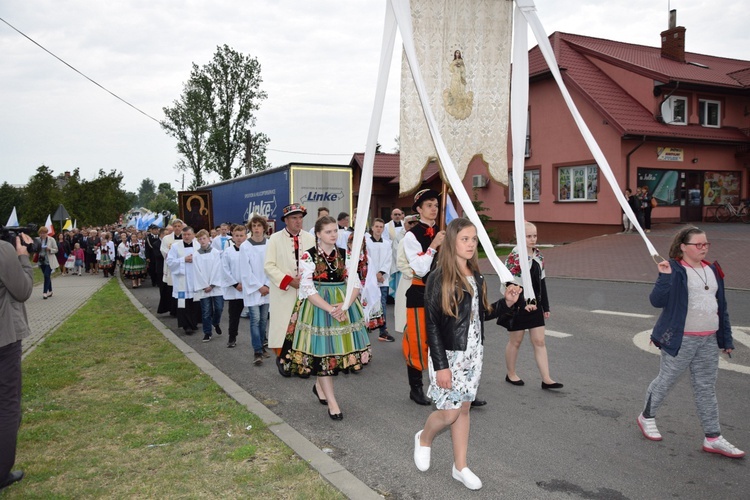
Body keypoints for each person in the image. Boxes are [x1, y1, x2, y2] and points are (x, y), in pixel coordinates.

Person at [414, 218, 521, 490]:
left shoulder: (477, 275)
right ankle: (424, 438)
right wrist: (441, 366)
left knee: (463, 409)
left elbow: (479, 314)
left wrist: (506, 303)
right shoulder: (438, 278)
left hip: (472, 354)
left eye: (474, 239)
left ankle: (460, 466)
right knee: (449, 413)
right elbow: (433, 326)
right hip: (447, 355)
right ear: (452, 242)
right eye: (465, 239)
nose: (471, 244)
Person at [637, 226, 744, 458]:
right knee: (666, 380)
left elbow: (721, 307)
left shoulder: (712, 270)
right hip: (680, 339)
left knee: (706, 387)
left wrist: (725, 338)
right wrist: (663, 277)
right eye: (698, 244)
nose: (703, 248)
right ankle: (647, 417)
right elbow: (656, 301)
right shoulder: (674, 269)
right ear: (683, 247)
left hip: (708, 339)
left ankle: (713, 437)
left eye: (706, 244)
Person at [279, 215, 372, 420]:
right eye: (328, 232)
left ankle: (319, 386)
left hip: (343, 305)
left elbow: (355, 283)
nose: (333, 235)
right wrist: (331, 309)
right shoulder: (308, 256)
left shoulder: (344, 254)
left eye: (334, 231)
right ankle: (332, 402)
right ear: (318, 234)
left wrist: (345, 305)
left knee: (336, 352)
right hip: (319, 308)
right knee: (323, 356)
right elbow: (308, 289)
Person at [503, 222, 563, 390]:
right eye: (528, 236)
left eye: (534, 235)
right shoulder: (514, 257)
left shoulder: (538, 256)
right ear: (520, 237)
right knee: (516, 341)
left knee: (539, 340)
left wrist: (546, 306)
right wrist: (523, 304)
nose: (533, 239)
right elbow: (509, 285)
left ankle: (546, 379)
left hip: (535, 305)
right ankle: (511, 373)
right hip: (517, 305)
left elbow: (542, 282)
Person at [402, 189, 445, 406]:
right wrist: (434, 245)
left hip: (444, 293)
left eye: (436, 204)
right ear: (419, 209)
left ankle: (456, 387)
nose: (434, 208)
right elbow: (419, 268)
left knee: (449, 339)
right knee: (419, 340)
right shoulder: (412, 235)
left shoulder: (445, 229)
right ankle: (416, 388)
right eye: (429, 205)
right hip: (420, 292)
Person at [264, 204, 316, 376]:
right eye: (294, 218)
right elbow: (269, 266)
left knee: (304, 326)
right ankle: (282, 358)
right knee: (284, 326)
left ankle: (302, 363)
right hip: (284, 292)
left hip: (305, 291)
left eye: (300, 217)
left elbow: (315, 262)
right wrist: (288, 280)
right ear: (286, 220)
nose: (298, 221)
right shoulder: (275, 239)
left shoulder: (310, 238)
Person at [0, 231, 34, 492]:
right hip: (4, 338)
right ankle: (1, 472)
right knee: (7, 403)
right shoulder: (3, 250)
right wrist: (22, 257)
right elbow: (22, 290)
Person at [240, 216, 271, 361]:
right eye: (254, 226)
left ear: (264, 227)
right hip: (253, 289)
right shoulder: (245, 246)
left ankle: (262, 346)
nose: (257, 228)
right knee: (255, 319)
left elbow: (272, 266)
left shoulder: (270, 244)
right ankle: (257, 351)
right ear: (251, 228)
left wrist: (267, 285)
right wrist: (259, 286)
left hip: (267, 288)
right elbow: (245, 271)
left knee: (264, 320)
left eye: (259, 225)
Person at [167, 226, 201, 334]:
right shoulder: (175, 247)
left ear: (193, 235)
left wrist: (194, 259)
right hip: (182, 279)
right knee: (184, 303)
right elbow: (170, 261)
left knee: (194, 301)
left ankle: (194, 323)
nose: (186, 237)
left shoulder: (198, 245)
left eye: (188, 234)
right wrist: (184, 260)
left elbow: (204, 260)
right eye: (184, 235)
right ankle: (186, 326)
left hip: (195, 279)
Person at [193, 229, 225, 343]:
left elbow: (217, 268)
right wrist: (204, 285)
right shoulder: (196, 255)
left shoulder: (215, 252)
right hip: (204, 287)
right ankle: (207, 332)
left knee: (219, 308)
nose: (202, 241)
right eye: (200, 239)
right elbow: (196, 271)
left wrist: (212, 284)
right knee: (206, 311)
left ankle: (215, 322)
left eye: (204, 238)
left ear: (208, 239)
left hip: (215, 286)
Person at [366, 218, 394, 341]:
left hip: (383, 279)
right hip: (369, 280)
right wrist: (373, 275)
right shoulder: (366, 242)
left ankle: (383, 331)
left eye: (381, 227)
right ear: (372, 228)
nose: (378, 229)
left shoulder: (387, 244)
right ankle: (365, 328)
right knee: (367, 305)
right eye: (376, 226)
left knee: (382, 305)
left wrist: (381, 273)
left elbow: (389, 260)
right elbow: (365, 260)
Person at [222, 224, 248, 349]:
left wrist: (248, 283)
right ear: (232, 237)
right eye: (236, 236)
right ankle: (232, 337)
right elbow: (225, 269)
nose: (239, 238)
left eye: (241, 235)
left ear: (246, 236)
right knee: (234, 316)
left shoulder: (250, 250)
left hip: (249, 288)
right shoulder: (227, 252)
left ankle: (262, 338)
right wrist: (235, 284)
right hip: (235, 290)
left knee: (256, 317)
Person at [394, 215, 419, 333]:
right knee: (405, 311)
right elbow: (401, 262)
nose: (413, 226)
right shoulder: (404, 241)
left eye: (416, 224)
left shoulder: (422, 240)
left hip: (422, 281)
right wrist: (414, 274)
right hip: (408, 280)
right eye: (410, 223)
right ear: (405, 225)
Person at [159, 220, 184, 315]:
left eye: (179, 226)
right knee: (172, 287)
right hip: (171, 267)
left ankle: (182, 309)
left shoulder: (186, 237)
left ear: (181, 227)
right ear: (172, 227)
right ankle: (173, 310)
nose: (177, 228)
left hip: (183, 266)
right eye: (175, 226)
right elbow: (163, 250)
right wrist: (174, 257)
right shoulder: (166, 239)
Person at [37, 226, 58, 299]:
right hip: (41, 260)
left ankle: (45, 292)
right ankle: (51, 291)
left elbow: (56, 249)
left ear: (46, 233)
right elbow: (35, 249)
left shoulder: (51, 239)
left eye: (44, 233)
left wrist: (49, 249)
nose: (42, 234)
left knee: (46, 275)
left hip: (49, 260)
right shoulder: (38, 240)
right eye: (41, 233)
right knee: (47, 276)